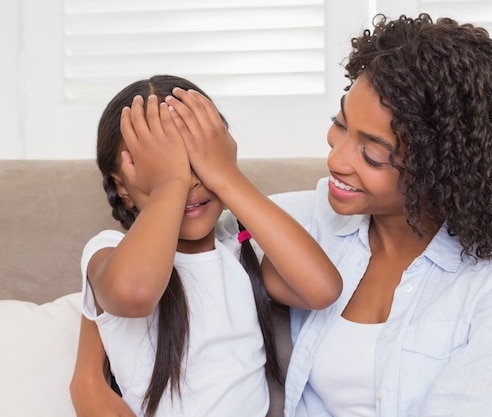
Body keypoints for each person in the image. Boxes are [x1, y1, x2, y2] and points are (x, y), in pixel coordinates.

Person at [72, 13, 492, 417]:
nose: (336, 159)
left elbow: (314, 284)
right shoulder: (300, 219)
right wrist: (88, 372)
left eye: (373, 153)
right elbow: (156, 269)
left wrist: (225, 174)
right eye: (339, 125)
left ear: (442, 170)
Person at [69, 75, 342, 417]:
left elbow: (323, 289)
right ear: (122, 187)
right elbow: (134, 294)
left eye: (197, 161)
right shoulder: (108, 251)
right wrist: (171, 184)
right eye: (166, 167)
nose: (190, 180)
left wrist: (227, 176)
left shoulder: (242, 248)